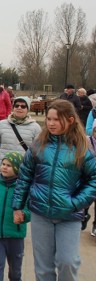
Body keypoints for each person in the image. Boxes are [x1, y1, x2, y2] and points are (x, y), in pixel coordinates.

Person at [12, 100, 96, 281]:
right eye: (49, 119)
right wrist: (18, 206)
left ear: (71, 120)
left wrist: (76, 203)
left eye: (57, 119)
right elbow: (24, 177)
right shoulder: (38, 145)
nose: (51, 123)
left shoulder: (81, 148)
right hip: (41, 215)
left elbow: (94, 179)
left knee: (68, 262)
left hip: (69, 216)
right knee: (43, 268)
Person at [0, 152, 31, 281]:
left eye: (9, 165)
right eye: (3, 164)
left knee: (15, 272)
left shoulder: (24, 188)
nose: (4, 167)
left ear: (18, 168)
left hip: (15, 235)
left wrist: (24, 215)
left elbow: (30, 209)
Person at [0, 96, 41, 180]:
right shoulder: (1, 124)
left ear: (28, 109)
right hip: (2, 170)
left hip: (23, 171)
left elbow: (38, 153)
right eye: (16, 105)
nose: (19, 108)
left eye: (23, 106)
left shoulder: (35, 127)